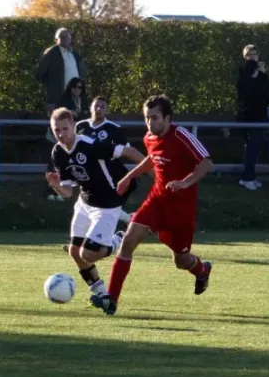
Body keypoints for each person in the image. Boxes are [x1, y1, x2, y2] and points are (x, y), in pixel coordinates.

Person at [90, 95, 213, 316]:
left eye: (154, 118)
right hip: (156, 201)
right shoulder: (149, 137)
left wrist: (185, 182)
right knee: (128, 241)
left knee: (181, 260)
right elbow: (151, 158)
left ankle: (202, 271)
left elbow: (207, 162)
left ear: (167, 118)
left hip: (181, 210)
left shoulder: (181, 135)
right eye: (147, 118)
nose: (150, 123)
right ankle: (111, 300)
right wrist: (129, 176)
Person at [46, 108, 146, 302]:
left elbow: (129, 151)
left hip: (107, 204)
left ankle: (118, 240)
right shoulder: (58, 151)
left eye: (65, 129)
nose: (61, 134)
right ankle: (99, 292)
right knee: (75, 251)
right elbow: (68, 192)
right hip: (84, 202)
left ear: (74, 127)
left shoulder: (90, 145)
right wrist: (55, 185)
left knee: (88, 255)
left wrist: (154, 171)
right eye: (56, 130)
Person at [60, 96, 138, 253]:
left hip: (111, 177)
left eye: (103, 106)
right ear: (91, 107)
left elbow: (128, 152)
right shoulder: (81, 126)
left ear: (107, 109)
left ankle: (113, 240)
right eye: (96, 106)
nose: (99, 109)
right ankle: (79, 242)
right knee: (88, 205)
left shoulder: (114, 129)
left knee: (105, 207)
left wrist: (138, 172)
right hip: (88, 176)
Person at [236, 59, 269, 191]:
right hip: (251, 119)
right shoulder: (246, 81)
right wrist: (261, 76)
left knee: (256, 149)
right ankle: (247, 178)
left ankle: (251, 176)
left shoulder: (258, 80)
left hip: (260, 118)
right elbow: (259, 93)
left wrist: (263, 75)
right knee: (252, 149)